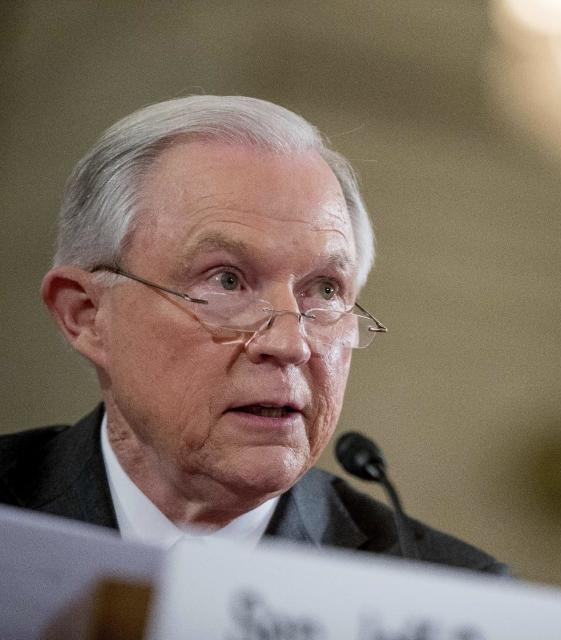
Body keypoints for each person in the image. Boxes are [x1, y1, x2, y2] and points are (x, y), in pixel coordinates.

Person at [0, 95, 505, 574]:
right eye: (226, 280)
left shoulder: (451, 599)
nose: (290, 344)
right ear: (87, 315)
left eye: (325, 291)